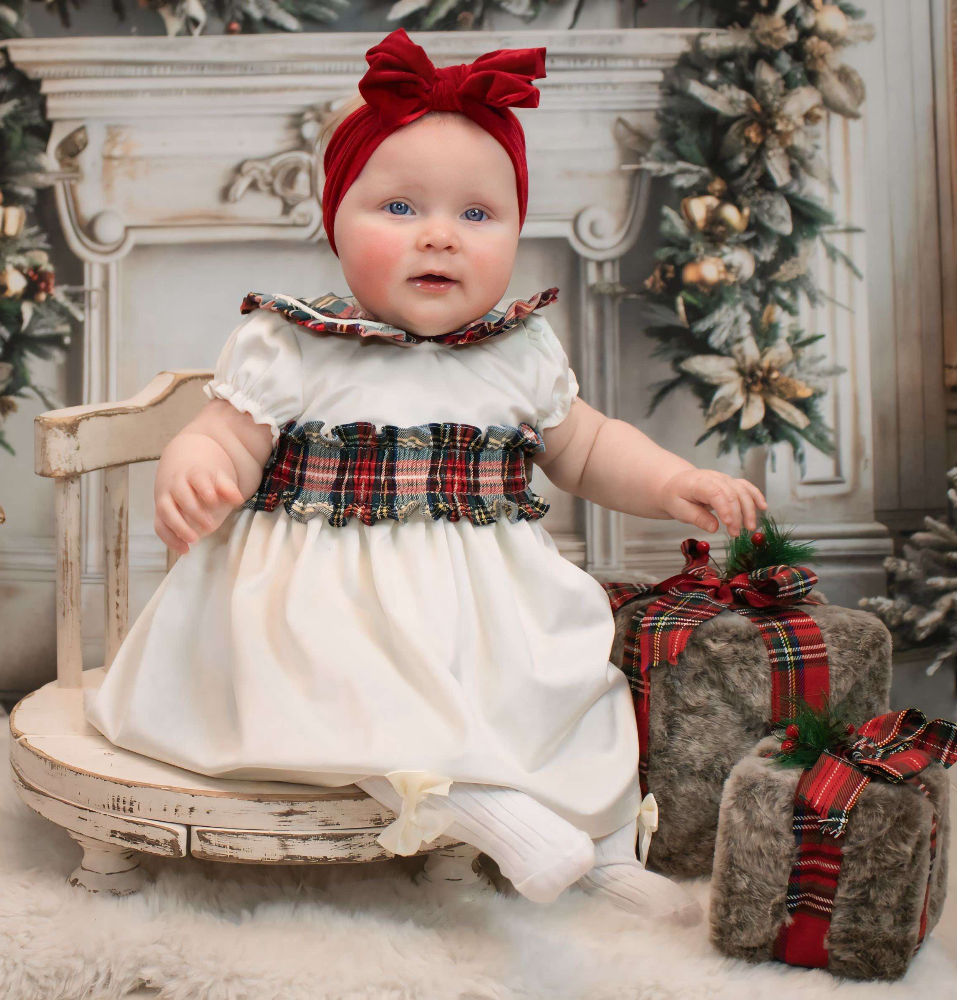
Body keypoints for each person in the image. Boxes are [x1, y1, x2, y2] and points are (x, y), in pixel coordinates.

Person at [85, 28, 766, 924]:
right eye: (400, 209)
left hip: (483, 604)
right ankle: (475, 806)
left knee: (573, 685)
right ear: (336, 220)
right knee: (340, 682)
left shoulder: (519, 347)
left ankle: (599, 847)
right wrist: (198, 468)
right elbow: (226, 435)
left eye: (477, 216)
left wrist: (671, 480)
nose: (440, 236)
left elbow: (589, 447)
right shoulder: (294, 341)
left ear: (516, 231)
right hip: (323, 599)